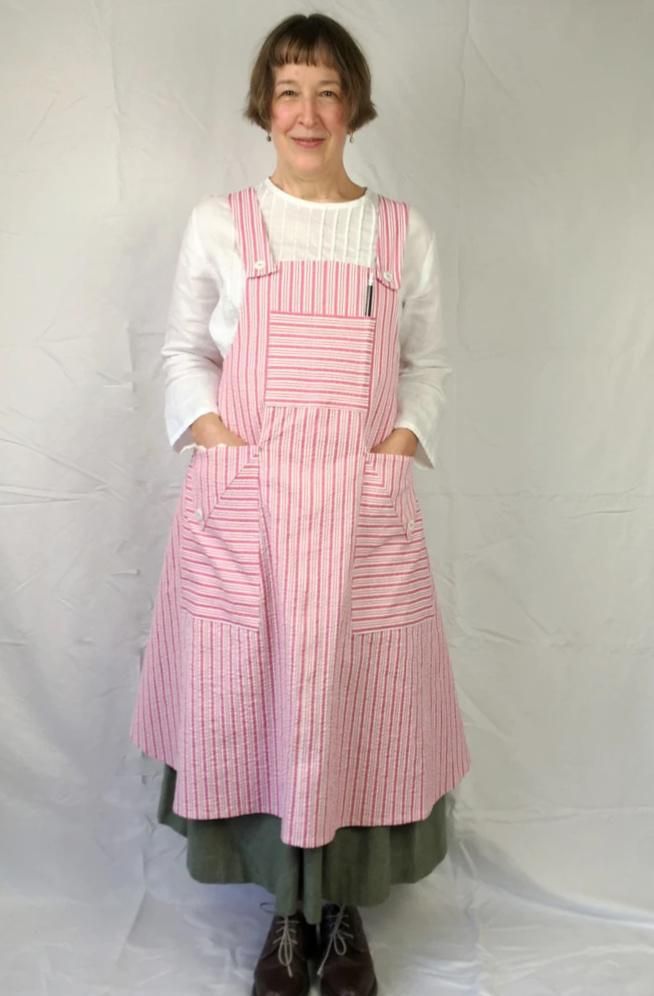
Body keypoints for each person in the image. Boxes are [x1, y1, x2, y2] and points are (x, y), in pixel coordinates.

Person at [130, 12, 470, 996]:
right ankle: (287, 911)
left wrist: (400, 443)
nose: (308, 110)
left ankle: (345, 914)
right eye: (289, 90)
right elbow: (183, 351)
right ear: (264, 107)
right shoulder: (221, 224)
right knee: (254, 694)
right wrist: (215, 435)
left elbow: (430, 364)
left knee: (360, 701)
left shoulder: (400, 232)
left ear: (355, 106)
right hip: (251, 512)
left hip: (361, 514)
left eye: (328, 90)